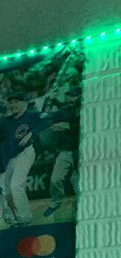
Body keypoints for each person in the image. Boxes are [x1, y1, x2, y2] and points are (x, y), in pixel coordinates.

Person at [0, 91, 52, 226]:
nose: (13, 105)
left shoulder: (32, 115)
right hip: (11, 159)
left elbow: (48, 120)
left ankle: (26, 218)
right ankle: (16, 218)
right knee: (7, 191)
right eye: (11, 102)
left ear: (25, 102)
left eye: (16, 102)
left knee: (16, 185)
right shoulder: (6, 121)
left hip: (26, 152)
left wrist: (31, 132)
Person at [43, 85, 81, 217]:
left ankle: (80, 208)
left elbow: (78, 125)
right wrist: (50, 100)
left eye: (73, 95)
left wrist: (67, 126)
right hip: (65, 151)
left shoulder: (85, 109)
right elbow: (46, 117)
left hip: (80, 151)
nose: (69, 97)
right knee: (55, 179)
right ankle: (56, 203)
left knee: (77, 181)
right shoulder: (64, 111)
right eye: (68, 95)